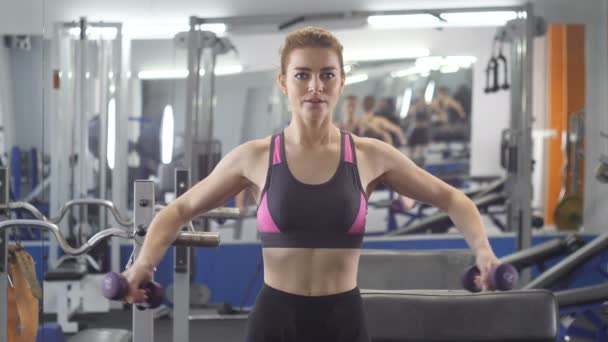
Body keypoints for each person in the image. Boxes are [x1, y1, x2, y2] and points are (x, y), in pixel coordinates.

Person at [122, 26, 500, 342]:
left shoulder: (371, 156)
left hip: (343, 320)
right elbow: (179, 210)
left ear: (341, 81)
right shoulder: (253, 157)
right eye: (302, 74)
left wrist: (483, 252)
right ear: (284, 83)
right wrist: (145, 265)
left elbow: (451, 198)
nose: (315, 85)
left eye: (327, 74)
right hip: (276, 321)